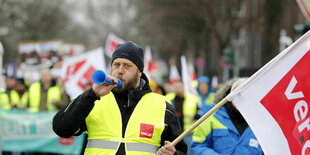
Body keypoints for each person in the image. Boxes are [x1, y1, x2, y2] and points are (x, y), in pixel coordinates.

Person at [53, 41, 187, 155]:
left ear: (139, 72)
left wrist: (173, 153)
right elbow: (61, 128)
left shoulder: (161, 105)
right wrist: (91, 94)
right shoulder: (94, 99)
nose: (120, 70)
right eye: (116, 65)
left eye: (127, 66)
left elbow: (181, 150)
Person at [191, 78, 263, 155]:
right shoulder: (213, 119)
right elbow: (198, 145)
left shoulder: (261, 123)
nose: (241, 98)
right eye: (238, 94)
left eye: (246, 94)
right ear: (229, 95)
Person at [165, 81, 199, 155]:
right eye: (176, 87)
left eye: (179, 87)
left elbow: (199, 113)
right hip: (173, 132)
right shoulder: (168, 98)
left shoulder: (192, 98)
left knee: (188, 152)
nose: (177, 89)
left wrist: (194, 116)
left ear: (183, 87)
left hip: (188, 132)